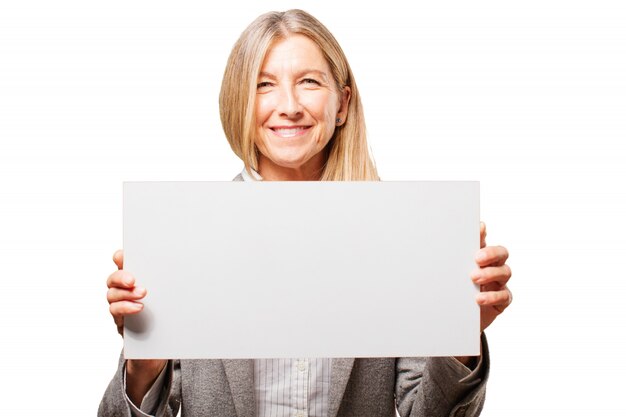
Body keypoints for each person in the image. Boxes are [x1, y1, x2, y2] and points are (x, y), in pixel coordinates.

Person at [99, 9, 513, 417]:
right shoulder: (186, 237)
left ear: (342, 105)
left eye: (309, 82)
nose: (290, 105)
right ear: (238, 101)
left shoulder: (394, 232)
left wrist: (461, 335)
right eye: (264, 84)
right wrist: (144, 363)